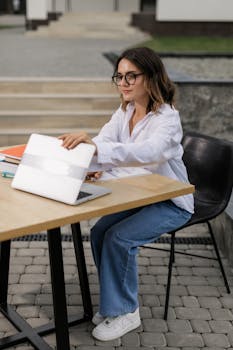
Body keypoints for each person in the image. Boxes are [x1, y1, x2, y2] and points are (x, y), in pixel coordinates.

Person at [59, 47, 194, 341]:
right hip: (139, 196)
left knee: (120, 238)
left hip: (171, 202)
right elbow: (104, 142)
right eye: (119, 76)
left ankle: (127, 311)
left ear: (152, 77)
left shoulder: (167, 119)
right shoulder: (124, 111)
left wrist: (99, 153)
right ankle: (114, 303)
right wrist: (94, 163)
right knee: (99, 233)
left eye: (132, 75)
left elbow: (148, 152)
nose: (124, 82)